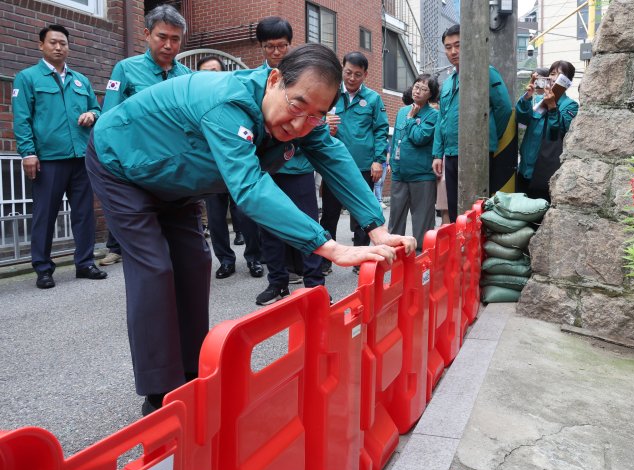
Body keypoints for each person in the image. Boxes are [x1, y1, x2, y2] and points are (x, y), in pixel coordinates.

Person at [85, 43, 415, 416]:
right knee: (155, 267)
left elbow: (332, 155)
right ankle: (161, 395)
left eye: (316, 115)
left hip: (175, 178)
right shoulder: (228, 103)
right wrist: (329, 247)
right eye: (296, 106)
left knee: (194, 262)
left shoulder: (301, 114)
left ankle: (193, 375)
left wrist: (376, 226)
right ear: (274, 79)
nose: (298, 124)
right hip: (122, 164)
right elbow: (251, 189)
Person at [12, 25, 107, 289]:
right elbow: (22, 119)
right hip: (48, 159)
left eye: (63, 43)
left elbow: (96, 108)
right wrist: (28, 152)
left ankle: (85, 263)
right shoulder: (28, 78)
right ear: (41, 45)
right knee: (45, 214)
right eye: (53, 42)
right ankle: (43, 269)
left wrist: (93, 115)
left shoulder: (80, 80)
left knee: (84, 213)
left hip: (81, 158)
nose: (58, 47)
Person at [98, 4, 191, 267]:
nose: (169, 45)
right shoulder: (125, 69)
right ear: (147, 34)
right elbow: (108, 120)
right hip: (138, 169)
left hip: (176, 172)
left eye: (175, 39)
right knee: (149, 253)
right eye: (162, 37)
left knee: (181, 248)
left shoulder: (187, 77)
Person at [253, 16, 326, 305]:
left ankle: (314, 285)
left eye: (281, 45)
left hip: (298, 167)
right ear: (262, 47)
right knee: (269, 227)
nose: (276, 52)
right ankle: (277, 282)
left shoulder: (306, 76)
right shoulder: (257, 80)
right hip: (269, 169)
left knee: (309, 224)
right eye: (270, 46)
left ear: (289, 45)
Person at [431, 24, 512, 218]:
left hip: (477, 152)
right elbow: (442, 118)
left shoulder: (485, 71)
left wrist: (489, 136)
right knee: (454, 209)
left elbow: (504, 109)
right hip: (450, 153)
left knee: (476, 210)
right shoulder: (449, 80)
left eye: (458, 45)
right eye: (448, 47)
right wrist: (437, 154)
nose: (453, 51)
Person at [195, 55, 264, 280]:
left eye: (216, 71)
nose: (212, 77)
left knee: (246, 215)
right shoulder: (193, 102)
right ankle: (225, 260)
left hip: (237, 166)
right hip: (211, 169)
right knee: (215, 220)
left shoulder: (235, 96)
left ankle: (254, 258)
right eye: (206, 72)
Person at [320, 52, 389, 275]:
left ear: (365, 75)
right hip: (334, 166)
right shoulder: (330, 94)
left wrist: (378, 161)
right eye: (348, 73)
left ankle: (361, 258)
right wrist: (324, 123)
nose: (351, 78)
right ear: (342, 69)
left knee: (363, 215)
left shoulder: (373, 99)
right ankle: (325, 261)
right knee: (329, 214)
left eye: (357, 75)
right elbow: (314, 120)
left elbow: (380, 131)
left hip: (363, 166)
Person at [387, 74, 440, 249]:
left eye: (424, 89)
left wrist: (411, 120)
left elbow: (420, 137)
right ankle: (395, 256)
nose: (418, 91)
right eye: (417, 86)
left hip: (422, 176)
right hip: (400, 174)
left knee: (422, 221)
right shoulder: (402, 111)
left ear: (430, 94)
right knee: (395, 219)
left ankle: (421, 259)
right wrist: (392, 164)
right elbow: (395, 139)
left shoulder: (433, 115)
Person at [515, 60, 579, 202]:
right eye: (552, 73)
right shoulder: (536, 99)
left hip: (545, 173)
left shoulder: (571, 106)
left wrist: (552, 107)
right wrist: (527, 96)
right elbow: (522, 119)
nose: (555, 78)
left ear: (568, 82)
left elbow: (557, 131)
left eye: (561, 75)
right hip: (525, 168)